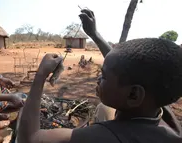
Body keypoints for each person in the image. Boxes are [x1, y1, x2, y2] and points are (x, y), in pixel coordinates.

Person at [17, 9, 182, 143]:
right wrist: (94, 34)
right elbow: (126, 69)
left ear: (133, 94)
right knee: (103, 108)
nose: (98, 79)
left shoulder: (102, 136)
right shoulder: (160, 107)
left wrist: (40, 76)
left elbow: (30, 139)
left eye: (103, 76)